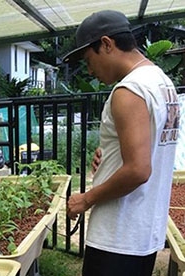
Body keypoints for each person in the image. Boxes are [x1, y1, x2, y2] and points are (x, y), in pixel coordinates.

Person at [64, 10, 180, 276]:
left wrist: (86, 199)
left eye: (89, 60)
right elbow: (145, 149)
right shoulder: (162, 82)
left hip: (117, 236)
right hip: (143, 234)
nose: (90, 70)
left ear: (106, 44)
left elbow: (138, 170)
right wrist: (111, 156)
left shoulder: (128, 91)